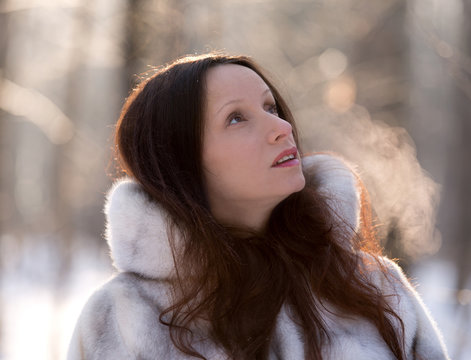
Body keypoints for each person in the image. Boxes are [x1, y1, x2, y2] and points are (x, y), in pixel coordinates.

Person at [68, 53, 450, 360]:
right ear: (180, 162)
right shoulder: (120, 317)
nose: (280, 127)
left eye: (271, 107)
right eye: (236, 118)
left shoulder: (374, 286)